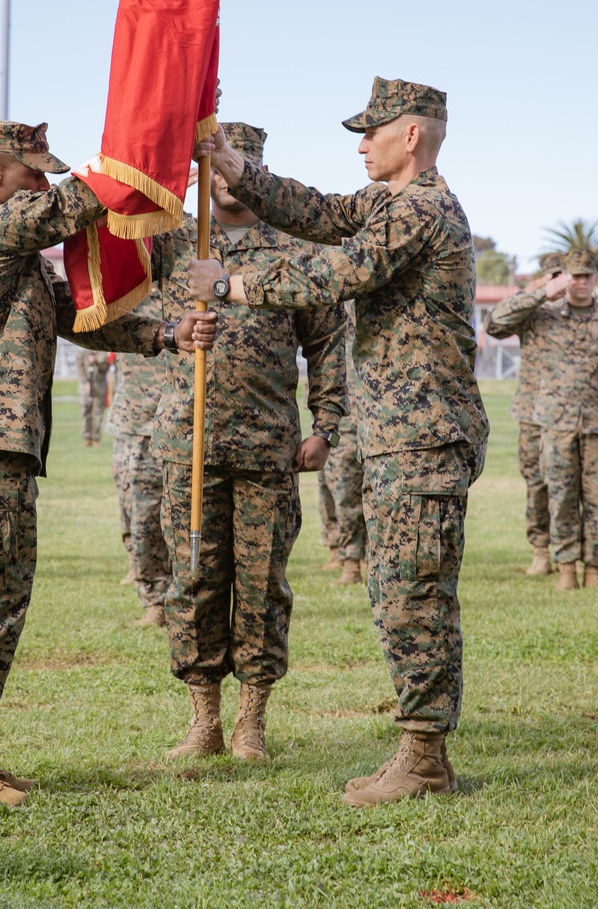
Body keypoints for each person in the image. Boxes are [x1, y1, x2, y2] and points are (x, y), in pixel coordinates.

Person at [190, 78, 489, 804]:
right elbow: (321, 215)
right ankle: (421, 755)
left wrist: (230, 283)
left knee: (413, 597)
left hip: (423, 436)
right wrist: (237, 170)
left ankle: (423, 761)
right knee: (397, 594)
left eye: (373, 132)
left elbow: (341, 270)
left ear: (410, 136)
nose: (362, 144)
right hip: (399, 435)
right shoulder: (388, 202)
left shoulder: (422, 208)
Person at [0, 120, 218, 808]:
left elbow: (82, 318)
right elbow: (74, 203)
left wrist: (166, 332)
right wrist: (152, 160)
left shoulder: (18, 258)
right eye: (31, 174)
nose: (43, 186)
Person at [152, 123, 346, 763]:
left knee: (263, 586)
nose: (228, 178)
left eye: (239, 166)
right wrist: (166, 329)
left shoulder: (290, 245)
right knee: (194, 580)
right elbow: (124, 305)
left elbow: (325, 343)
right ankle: (202, 719)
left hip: (270, 447)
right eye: (215, 166)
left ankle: (251, 723)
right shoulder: (171, 240)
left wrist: (325, 426)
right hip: (190, 442)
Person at [484, 249, 598, 591]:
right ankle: (563, 565)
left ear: (596, 280)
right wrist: (542, 291)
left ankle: (594, 569)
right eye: (574, 276)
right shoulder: (542, 316)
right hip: (553, 423)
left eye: (587, 276)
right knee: (560, 497)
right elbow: (494, 324)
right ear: (565, 279)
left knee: (597, 499)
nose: (581, 282)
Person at [485, 252, 565, 576]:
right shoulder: (533, 311)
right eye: (554, 275)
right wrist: (539, 292)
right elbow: (494, 323)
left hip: (570, 414)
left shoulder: (584, 312)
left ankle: (572, 553)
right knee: (536, 484)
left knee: (570, 486)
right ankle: (541, 550)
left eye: (565, 275)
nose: (561, 281)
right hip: (533, 411)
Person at [105, 288, 172, 626]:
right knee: (141, 514)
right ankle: (154, 600)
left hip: (182, 423)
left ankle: (185, 597)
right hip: (135, 423)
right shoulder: (127, 295)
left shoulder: (190, 297)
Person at [318, 304, 367, 586]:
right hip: (341, 417)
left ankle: (361, 560)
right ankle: (348, 559)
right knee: (340, 490)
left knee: (361, 491)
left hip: (365, 415)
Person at [78, 349, 110, 446]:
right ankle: (87, 438)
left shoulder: (103, 352)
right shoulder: (82, 352)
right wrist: (86, 382)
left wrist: (96, 361)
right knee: (85, 412)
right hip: (85, 388)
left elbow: (105, 369)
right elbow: (80, 369)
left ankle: (96, 438)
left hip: (99, 388)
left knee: (97, 414)